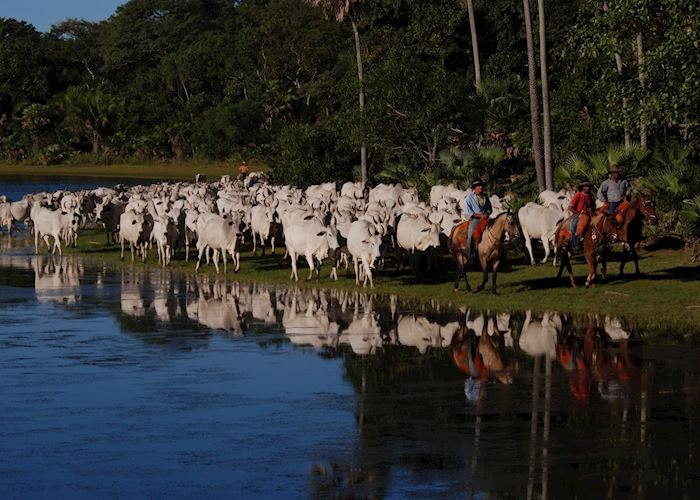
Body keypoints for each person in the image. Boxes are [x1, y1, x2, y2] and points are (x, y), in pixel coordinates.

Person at [463, 179, 492, 258]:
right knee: (471, 235)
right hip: (475, 220)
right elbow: (468, 213)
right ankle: (470, 254)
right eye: (479, 186)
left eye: (481, 186)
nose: (481, 187)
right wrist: (480, 216)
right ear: (474, 188)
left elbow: (489, 208)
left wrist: (487, 213)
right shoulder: (468, 198)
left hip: (486, 218)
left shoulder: (485, 196)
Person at [568, 179, 595, 252]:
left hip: (589, 214)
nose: (587, 188)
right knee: (573, 228)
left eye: (588, 186)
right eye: (586, 186)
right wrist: (579, 213)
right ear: (582, 187)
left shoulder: (591, 196)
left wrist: (591, 209)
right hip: (578, 215)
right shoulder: (578, 195)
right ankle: (574, 246)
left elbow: (594, 206)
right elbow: (570, 207)